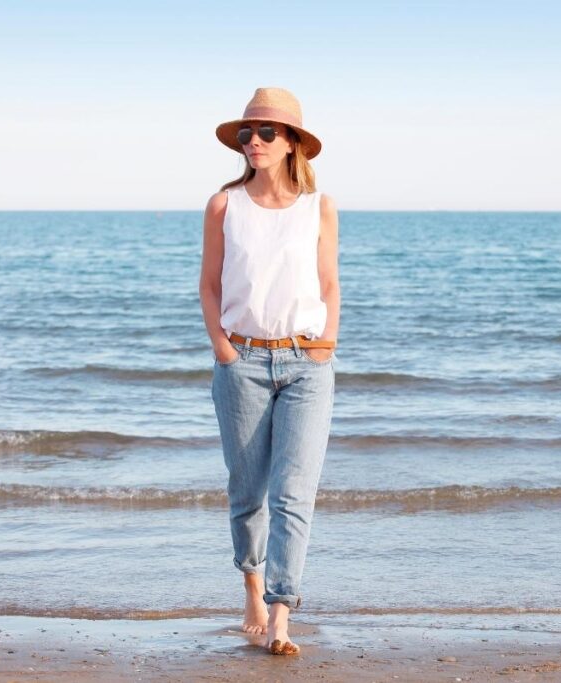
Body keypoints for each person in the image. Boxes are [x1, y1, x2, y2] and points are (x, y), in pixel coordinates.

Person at [198, 87, 340, 656]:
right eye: (246, 134)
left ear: (292, 144)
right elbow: (209, 285)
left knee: (294, 493)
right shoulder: (223, 205)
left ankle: (282, 611)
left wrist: (327, 344)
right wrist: (222, 347)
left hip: (306, 362)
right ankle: (251, 585)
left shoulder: (319, 206)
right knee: (247, 490)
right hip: (243, 361)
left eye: (266, 133)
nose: (253, 142)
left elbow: (329, 283)